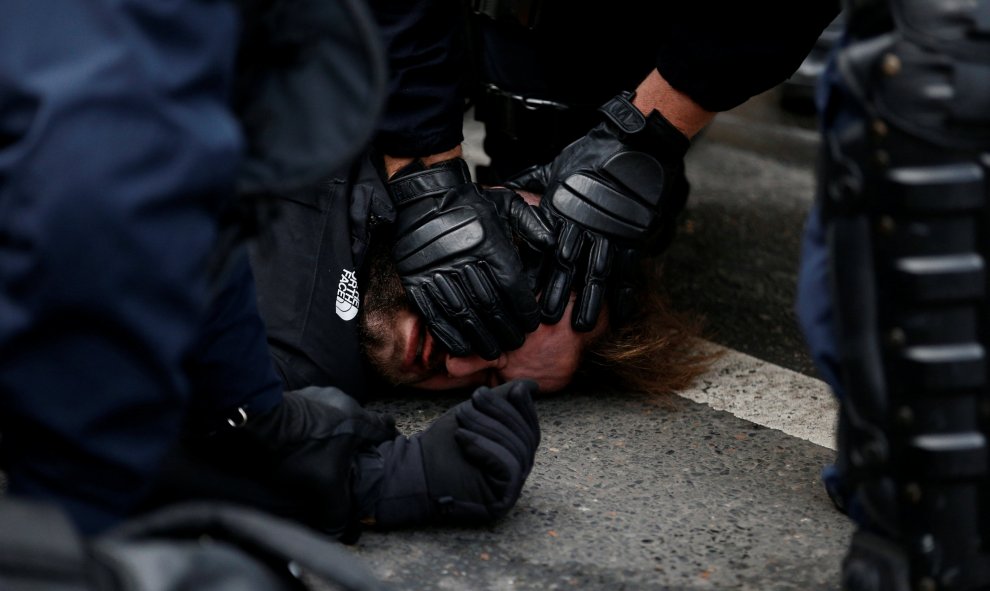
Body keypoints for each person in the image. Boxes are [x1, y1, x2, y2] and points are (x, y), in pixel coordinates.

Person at [0, 0, 540, 547]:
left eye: (489, 379)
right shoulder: (357, 106)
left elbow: (144, 408)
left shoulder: (299, 353)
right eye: (483, 311)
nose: (462, 360)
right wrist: (427, 165)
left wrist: (366, 474)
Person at [246, 150, 713, 400]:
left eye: (489, 383)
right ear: (489, 209)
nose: (457, 366)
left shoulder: (298, 376)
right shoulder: (353, 87)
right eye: (498, 316)